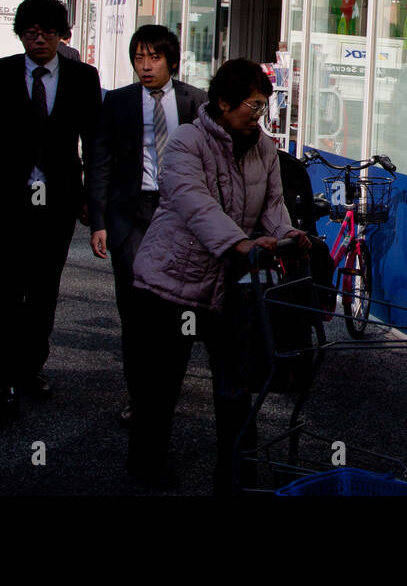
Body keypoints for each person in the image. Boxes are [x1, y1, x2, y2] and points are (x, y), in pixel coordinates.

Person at [127, 58, 309, 491]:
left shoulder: (265, 148)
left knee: (234, 387)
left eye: (264, 106)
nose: (259, 115)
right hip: (172, 280)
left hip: (229, 286)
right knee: (161, 385)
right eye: (253, 105)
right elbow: (193, 202)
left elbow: (273, 207)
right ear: (223, 103)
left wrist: (287, 233)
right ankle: (147, 465)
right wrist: (239, 243)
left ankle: (235, 474)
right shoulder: (187, 141)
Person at [0, 0, 101, 426]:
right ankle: (2, 381)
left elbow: (94, 142)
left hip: (58, 199)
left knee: (45, 289)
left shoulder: (83, 78)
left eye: (48, 31)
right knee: (6, 291)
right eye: (31, 31)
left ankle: (31, 367)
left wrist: (91, 196)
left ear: (61, 34)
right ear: (20, 33)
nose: (40, 39)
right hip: (7, 200)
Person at [88, 25, 205, 428]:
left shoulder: (196, 103)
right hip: (132, 213)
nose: (146, 66)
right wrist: (99, 221)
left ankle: (166, 390)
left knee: (177, 308)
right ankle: (139, 398)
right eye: (139, 58)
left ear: (172, 60)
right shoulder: (118, 102)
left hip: (181, 213)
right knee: (135, 312)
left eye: (154, 57)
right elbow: (99, 163)